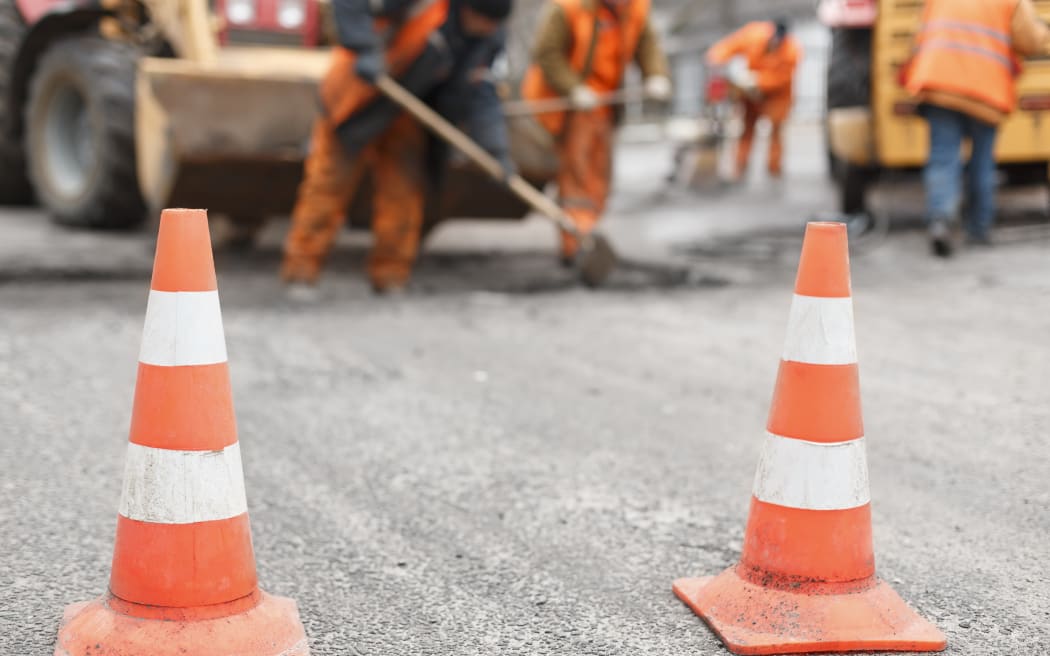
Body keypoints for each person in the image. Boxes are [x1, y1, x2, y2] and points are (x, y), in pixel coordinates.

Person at [281, 0, 514, 294]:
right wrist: (364, 47)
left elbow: (482, 96)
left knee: (402, 194)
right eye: (486, 22)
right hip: (358, 98)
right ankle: (301, 273)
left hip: (406, 109)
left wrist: (497, 152)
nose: (490, 30)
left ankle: (390, 276)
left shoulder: (487, 40)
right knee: (329, 186)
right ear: (468, 9)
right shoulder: (424, 5)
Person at [522, 0, 670, 263]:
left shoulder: (635, 9)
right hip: (569, 106)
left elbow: (647, 45)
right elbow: (547, 54)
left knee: (599, 177)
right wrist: (573, 88)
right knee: (577, 177)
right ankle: (576, 245)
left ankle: (589, 236)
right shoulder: (567, 8)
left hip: (605, 105)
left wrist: (656, 75)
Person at [903, 0, 1050, 256]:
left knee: (943, 157)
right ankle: (978, 228)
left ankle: (941, 220)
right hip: (985, 89)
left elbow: (919, 38)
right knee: (982, 162)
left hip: (940, 82)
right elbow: (1031, 41)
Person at [706, 18, 801, 181]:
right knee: (747, 128)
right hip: (750, 94)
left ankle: (774, 168)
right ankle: (741, 167)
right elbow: (730, 45)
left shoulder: (792, 50)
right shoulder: (754, 35)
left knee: (776, 130)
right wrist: (717, 57)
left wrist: (758, 80)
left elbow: (782, 78)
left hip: (777, 96)